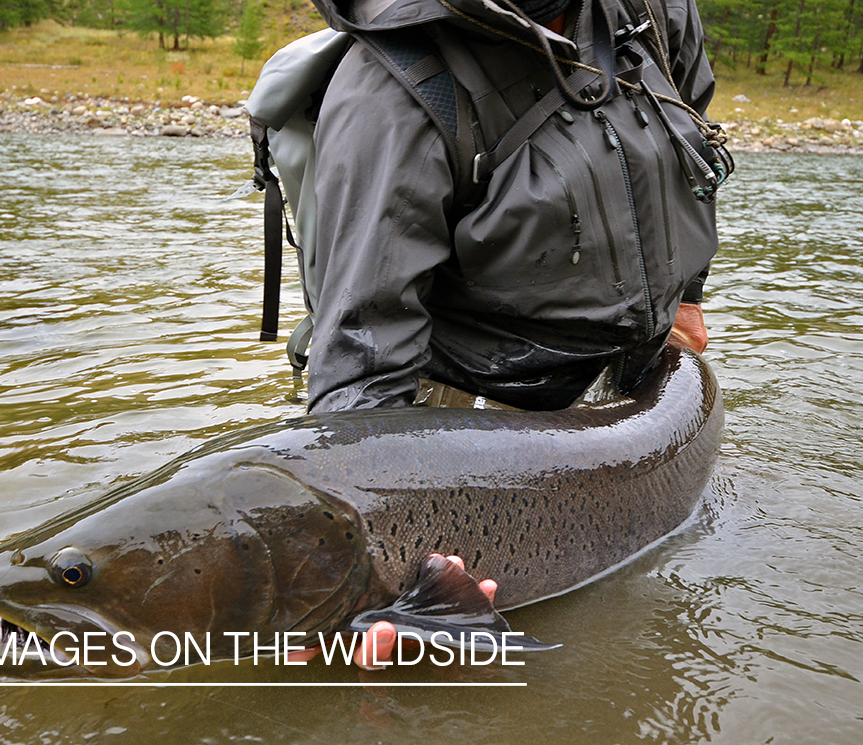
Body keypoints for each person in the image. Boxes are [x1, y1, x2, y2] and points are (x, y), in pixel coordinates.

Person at [299, 0, 722, 666]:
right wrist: (366, 564)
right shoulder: (391, 88)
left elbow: (692, 131)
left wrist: (686, 289)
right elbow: (362, 350)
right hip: (474, 440)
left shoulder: (654, 9)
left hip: (627, 399)